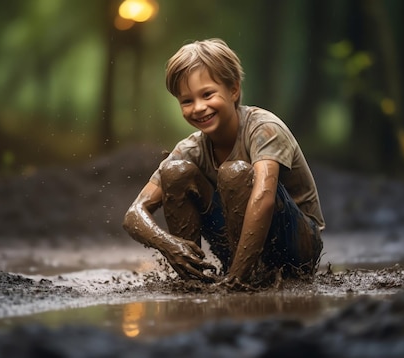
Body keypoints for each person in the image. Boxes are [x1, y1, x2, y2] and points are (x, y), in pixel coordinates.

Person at [123, 38, 325, 290]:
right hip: (236, 245)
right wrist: (170, 245)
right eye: (187, 101)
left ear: (233, 90)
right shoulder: (191, 148)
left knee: (234, 172)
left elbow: (264, 197)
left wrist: (235, 280)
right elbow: (134, 214)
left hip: (296, 246)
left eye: (207, 94)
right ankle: (194, 278)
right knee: (174, 172)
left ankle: (241, 277)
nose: (198, 108)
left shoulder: (264, 129)